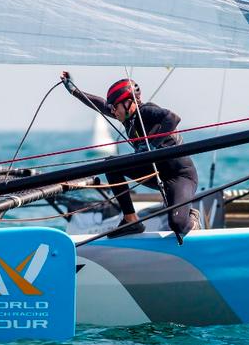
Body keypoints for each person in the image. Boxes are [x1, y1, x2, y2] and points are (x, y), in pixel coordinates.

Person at [60, 72, 200, 237]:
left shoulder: (146, 111)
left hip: (180, 176)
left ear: (128, 103)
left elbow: (172, 118)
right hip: (156, 174)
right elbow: (100, 104)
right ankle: (131, 220)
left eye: (115, 106)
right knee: (111, 165)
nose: (112, 110)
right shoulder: (126, 117)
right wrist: (74, 91)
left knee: (177, 225)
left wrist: (152, 145)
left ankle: (193, 218)